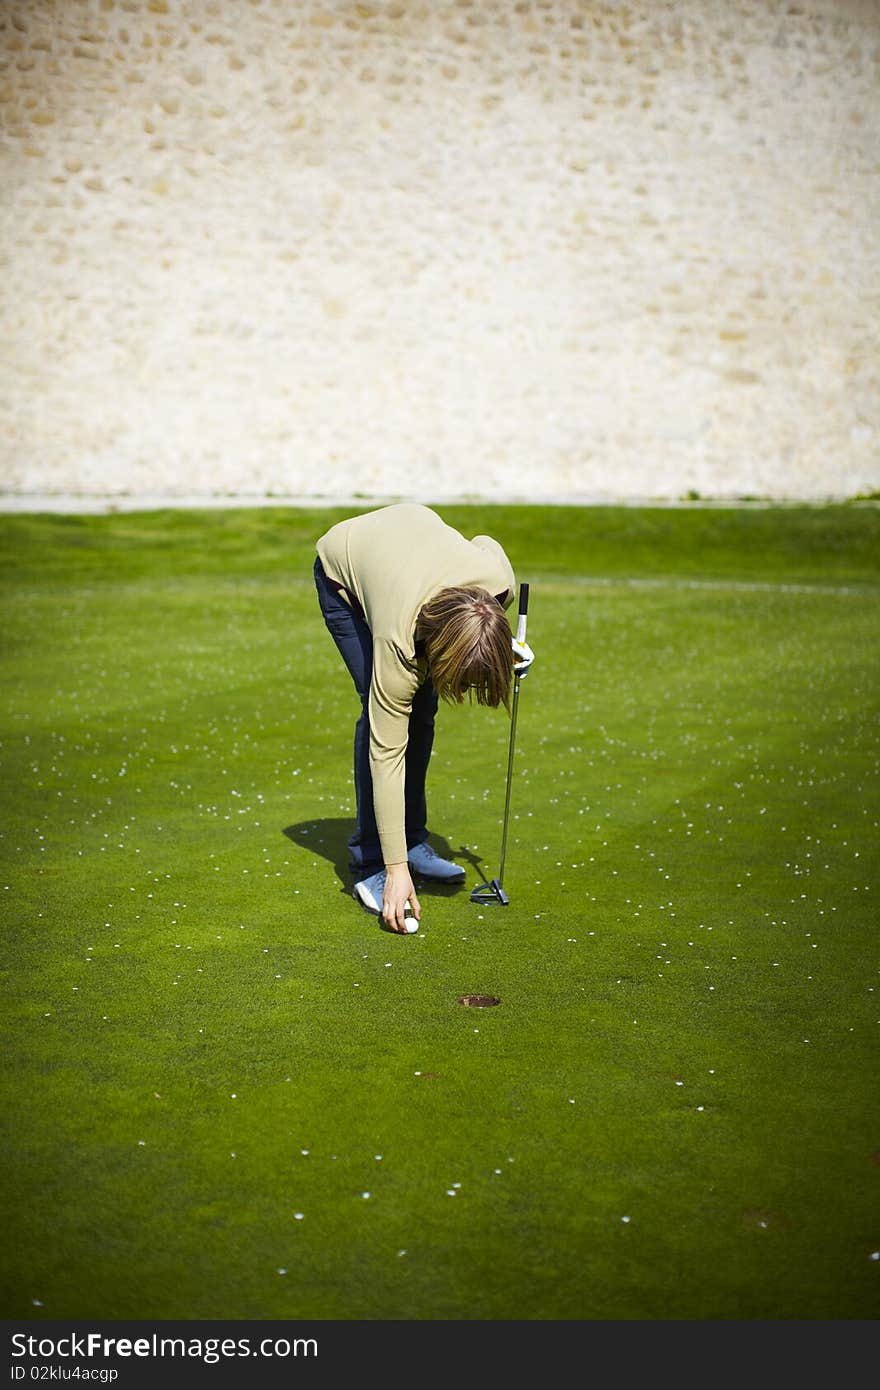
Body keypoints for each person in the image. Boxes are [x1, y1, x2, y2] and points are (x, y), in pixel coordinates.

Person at [313, 503, 532, 934]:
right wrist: (397, 874)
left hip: (414, 545)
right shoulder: (398, 639)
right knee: (384, 719)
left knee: (424, 712)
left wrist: (509, 654)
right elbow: (387, 753)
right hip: (346, 570)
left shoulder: (498, 584)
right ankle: (372, 862)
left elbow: (486, 542)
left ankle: (413, 839)